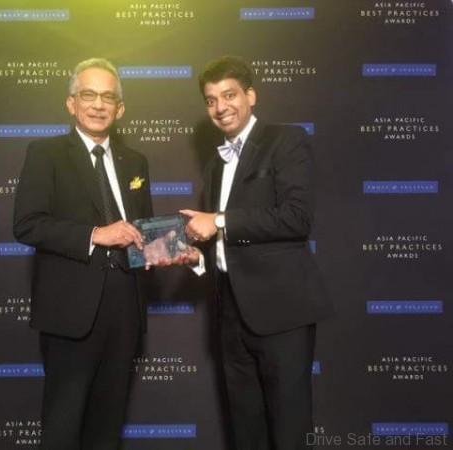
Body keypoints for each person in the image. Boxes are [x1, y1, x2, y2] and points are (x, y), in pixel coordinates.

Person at [180, 56, 334, 450]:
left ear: (251, 96)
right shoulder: (216, 165)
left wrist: (218, 220)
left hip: (282, 310)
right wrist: (199, 259)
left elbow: (296, 218)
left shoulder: (287, 140)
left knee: (289, 429)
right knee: (245, 429)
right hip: (230, 313)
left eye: (229, 95)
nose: (220, 107)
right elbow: (223, 240)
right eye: (211, 100)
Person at [13, 58, 153, 450]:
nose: (98, 104)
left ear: (120, 109)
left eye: (108, 97)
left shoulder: (135, 162)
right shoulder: (45, 153)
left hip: (124, 311)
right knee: (63, 427)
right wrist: (95, 234)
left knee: (107, 429)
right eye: (88, 95)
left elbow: (140, 232)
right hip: (71, 311)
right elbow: (27, 224)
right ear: (71, 103)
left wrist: (173, 249)